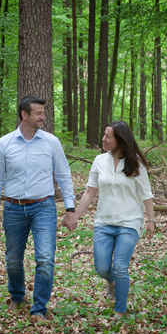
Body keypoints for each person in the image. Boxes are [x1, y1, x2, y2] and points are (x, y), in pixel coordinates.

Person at [0, 95, 76, 323]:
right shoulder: (5, 143)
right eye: (38, 113)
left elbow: (64, 176)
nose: (42, 117)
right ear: (24, 115)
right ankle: (17, 297)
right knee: (13, 259)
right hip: (13, 209)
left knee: (45, 258)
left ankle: (39, 309)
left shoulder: (51, 142)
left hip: (43, 207)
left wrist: (70, 208)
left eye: (43, 113)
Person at [67, 121, 155, 319]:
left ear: (120, 141)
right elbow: (90, 192)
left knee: (120, 266)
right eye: (104, 135)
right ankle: (112, 282)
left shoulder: (136, 163)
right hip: (104, 222)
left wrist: (151, 220)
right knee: (102, 268)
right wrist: (75, 215)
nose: (103, 140)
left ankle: (120, 310)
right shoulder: (99, 160)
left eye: (108, 137)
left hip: (129, 222)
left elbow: (146, 194)